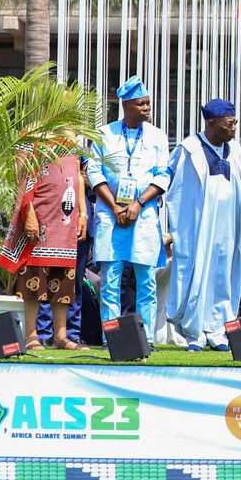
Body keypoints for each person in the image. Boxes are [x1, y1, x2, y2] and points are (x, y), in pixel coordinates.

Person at [165, 99, 241, 351]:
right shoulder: (189, 149)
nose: (235, 127)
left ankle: (218, 332)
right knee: (198, 275)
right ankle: (195, 334)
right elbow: (175, 189)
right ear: (212, 123)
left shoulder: (235, 150)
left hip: (228, 228)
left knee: (222, 276)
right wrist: (175, 229)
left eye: (235, 122)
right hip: (198, 228)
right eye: (230, 123)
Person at [86, 77, 169, 339]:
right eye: (141, 104)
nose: (147, 108)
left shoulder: (157, 136)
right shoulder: (104, 133)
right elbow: (93, 171)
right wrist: (115, 207)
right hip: (111, 217)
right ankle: (111, 337)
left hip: (143, 217)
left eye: (148, 104)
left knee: (146, 280)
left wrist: (138, 203)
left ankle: (147, 339)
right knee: (110, 280)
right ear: (126, 105)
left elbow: (163, 175)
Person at [0, 149, 89, 351]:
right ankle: (31, 335)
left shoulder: (72, 141)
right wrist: (29, 214)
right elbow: (23, 183)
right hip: (40, 218)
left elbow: (79, 178)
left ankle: (61, 337)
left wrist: (83, 213)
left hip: (65, 223)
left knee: (63, 280)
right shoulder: (32, 139)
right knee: (33, 278)